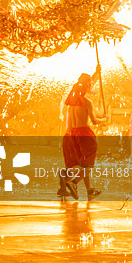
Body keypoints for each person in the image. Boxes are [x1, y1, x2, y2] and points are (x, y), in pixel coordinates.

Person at [58, 72, 107, 200]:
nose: (91, 86)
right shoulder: (87, 102)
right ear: (86, 85)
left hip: (73, 133)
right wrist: (105, 119)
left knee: (83, 163)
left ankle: (88, 190)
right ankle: (71, 181)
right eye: (89, 84)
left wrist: (96, 73)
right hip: (85, 133)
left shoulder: (72, 102)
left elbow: (87, 85)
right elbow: (95, 121)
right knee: (87, 165)